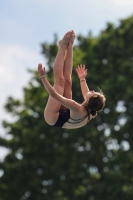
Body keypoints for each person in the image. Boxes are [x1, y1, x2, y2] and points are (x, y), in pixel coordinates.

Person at [38, 30, 106, 129]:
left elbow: (54, 94)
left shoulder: (77, 108)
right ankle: (70, 46)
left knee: (60, 82)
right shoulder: (92, 108)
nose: (91, 90)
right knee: (68, 82)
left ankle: (62, 47)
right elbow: (86, 93)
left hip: (53, 118)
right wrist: (82, 79)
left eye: (93, 92)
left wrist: (43, 77)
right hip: (67, 115)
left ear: (88, 100)